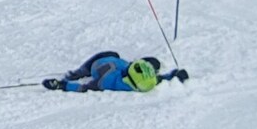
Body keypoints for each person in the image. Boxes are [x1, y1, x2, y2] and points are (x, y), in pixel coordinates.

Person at [43, 51, 187, 92]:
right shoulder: (141, 82)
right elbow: (160, 79)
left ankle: (78, 73)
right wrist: (175, 76)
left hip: (98, 64)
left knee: (112, 54)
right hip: (119, 63)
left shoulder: (107, 80)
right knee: (154, 62)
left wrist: (61, 85)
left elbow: (83, 88)